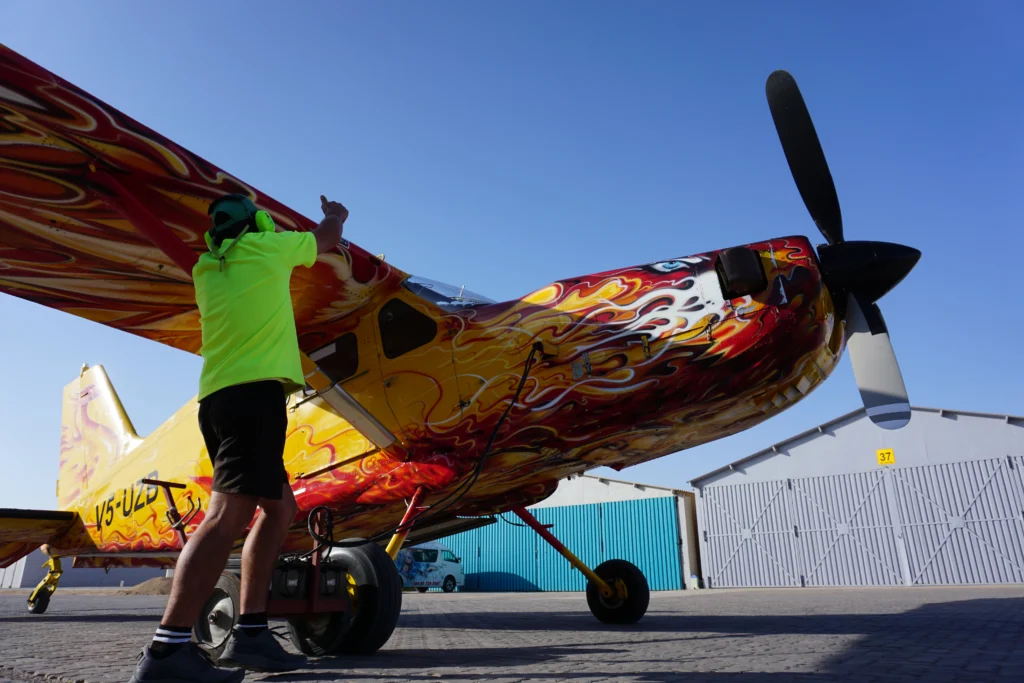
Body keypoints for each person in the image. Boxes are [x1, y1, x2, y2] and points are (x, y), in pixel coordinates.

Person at [129, 194, 348, 683]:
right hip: (253, 399)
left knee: (279, 509)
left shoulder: (207, 269)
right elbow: (327, 240)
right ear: (259, 224)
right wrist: (335, 216)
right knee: (226, 514)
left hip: (221, 401)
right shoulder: (268, 247)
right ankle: (167, 652)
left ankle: (250, 632)